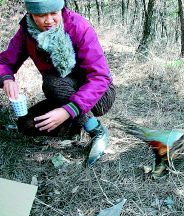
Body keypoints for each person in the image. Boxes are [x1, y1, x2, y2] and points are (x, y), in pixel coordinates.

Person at [0, 0, 116, 167]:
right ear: (31, 14)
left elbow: (100, 77)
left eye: (54, 13)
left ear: (61, 9)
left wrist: (68, 110)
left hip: (99, 96)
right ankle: (75, 125)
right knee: (26, 125)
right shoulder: (27, 31)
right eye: (41, 15)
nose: (49, 20)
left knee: (52, 82)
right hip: (63, 94)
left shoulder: (79, 27)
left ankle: (96, 130)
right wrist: (7, 78)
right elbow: (4, 61)